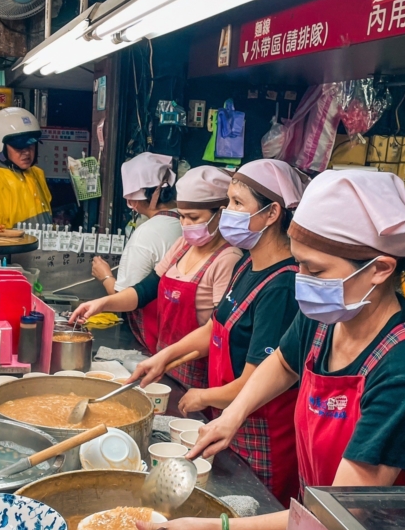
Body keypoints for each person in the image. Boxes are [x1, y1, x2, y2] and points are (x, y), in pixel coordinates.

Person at [120, 169, 405, 530]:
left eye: (315, 271)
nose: (301, 280)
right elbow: (282, 363)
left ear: (380, 269)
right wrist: (231, 416)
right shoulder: (325, 318)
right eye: (298, 264)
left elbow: (343, 511)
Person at [131, 160, 307, 502]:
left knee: (255, 516)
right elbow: (215, 328)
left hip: (264, 436)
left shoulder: (282, 286)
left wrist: (204, 396)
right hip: (231, 422)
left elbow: (259, 380)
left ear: (272, 214)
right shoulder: (246, 263)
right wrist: (164, 358)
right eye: (228, 202)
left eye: (238, 203)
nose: (228, 212)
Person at [70, 166, 241, 387]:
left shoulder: (228, 258)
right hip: (164, 363)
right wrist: (102, 303)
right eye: (181, 216)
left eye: (193, 217)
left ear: (221, 213)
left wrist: (167, 356)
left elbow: (217, 330)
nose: (185, 225)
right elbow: (144, 291)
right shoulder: (183, 246)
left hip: (199, 372)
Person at [93, 152, 182, 349]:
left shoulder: (147, 233)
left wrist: (105, 275)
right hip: (180, 335)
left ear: (134, 200)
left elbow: (122, 297)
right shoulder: (185, 221)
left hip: (157, 336)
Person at [0, 107, 52, 231]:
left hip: (41, 249)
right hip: (15, 250)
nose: (27, 152)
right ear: (0, 145)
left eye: (31, 145)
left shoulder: (37, 174)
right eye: (19, 147)